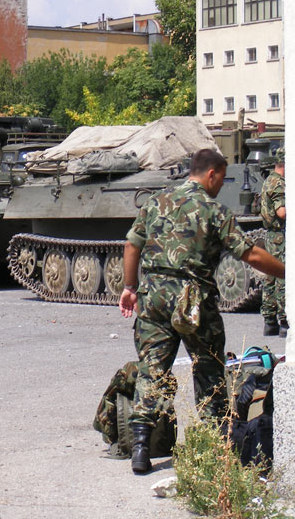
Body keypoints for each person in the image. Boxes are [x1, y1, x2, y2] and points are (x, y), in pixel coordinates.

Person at [119, 149, 284, 474]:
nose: (221, 185)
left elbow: (131, 245)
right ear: (211, 174)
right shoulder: (214, 211)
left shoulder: (156, 202)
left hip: (153, 299)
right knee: (208, 372)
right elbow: (250, 255)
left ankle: (141, 447)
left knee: (153, 369)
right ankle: (214, 446)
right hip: (194, 303)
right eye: (221, 179)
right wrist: (287, 272)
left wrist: (129, 287)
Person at [260, 147, 287, 337]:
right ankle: (285, 319)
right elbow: (282, 212)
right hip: (280, 235)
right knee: (283, 276)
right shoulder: (279, 183)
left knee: (270, 278)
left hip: (271, 235)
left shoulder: (269, 180)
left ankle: (270, 321)